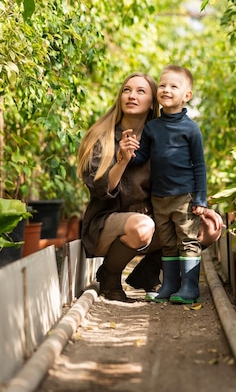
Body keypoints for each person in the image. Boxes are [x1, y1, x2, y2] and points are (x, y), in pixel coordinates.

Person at [123, 65, 208, 304]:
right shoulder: (152, 127)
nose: (166, 90)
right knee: (168, 243)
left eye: (173, 86)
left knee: (188, 240)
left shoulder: (191, 129)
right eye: (162, 85)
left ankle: (189, 288)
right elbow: (142, 158)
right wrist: (129, 152)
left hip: (185, 196)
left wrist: (201, 198)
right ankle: (169, 286)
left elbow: (199, 166)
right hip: (159, 197)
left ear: (186, 96)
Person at [77, 72, 163, 302]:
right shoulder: (101, 136)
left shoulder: (161, 138)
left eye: (140, 91)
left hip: (151, 220)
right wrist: (122, 161)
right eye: (127, 90)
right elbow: (98, 190)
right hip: (107, 223)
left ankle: (148, 272)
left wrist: (199, 205)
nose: (131, 96)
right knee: (142, 226)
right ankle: (110, 275)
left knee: (207, 226)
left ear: (152, 102)